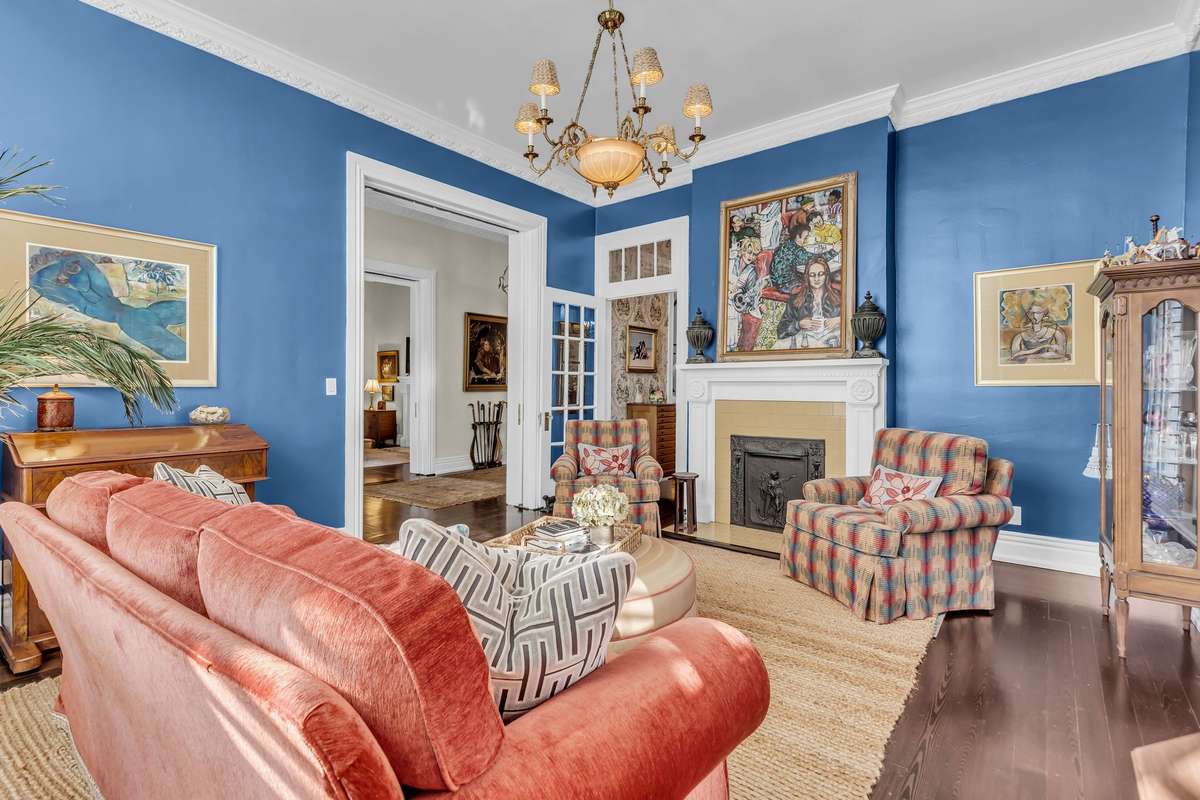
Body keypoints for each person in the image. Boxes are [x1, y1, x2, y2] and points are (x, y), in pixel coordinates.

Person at [776, 258, 841, 348]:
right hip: (805, 344)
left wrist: (839, 320)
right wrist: (799, 324)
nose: (816, 279)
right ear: (807, 277)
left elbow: (851, 318)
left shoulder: (838, 296)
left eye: (821, 274)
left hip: (831, 342)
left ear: (826, 276)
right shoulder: (795, 300)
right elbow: (781, 331)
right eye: (812, 275)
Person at [768, 222, 813, 292]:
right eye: (806, 237)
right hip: (785, 284)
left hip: (784, 280)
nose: (807, 239)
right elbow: (811, 258)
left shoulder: (789, 244)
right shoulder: (793, 249)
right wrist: (831, 252)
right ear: (798, 236)